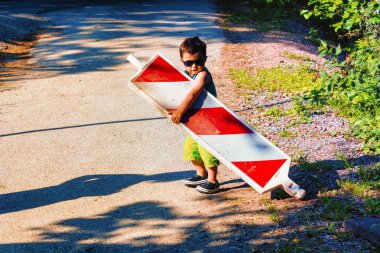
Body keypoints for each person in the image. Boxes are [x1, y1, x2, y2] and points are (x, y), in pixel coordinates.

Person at [169, 36, 220, 194]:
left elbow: (192, 93)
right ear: (182, 61)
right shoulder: (187, 74)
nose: (194, 66)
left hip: (209, 119)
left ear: (205, 59)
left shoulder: (203, 75)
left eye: (199, 62)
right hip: (196, 120)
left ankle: (213, 180)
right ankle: (201, 174)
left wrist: (179, 111)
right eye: (188, 63)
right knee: (192, 149)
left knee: (207, 150)